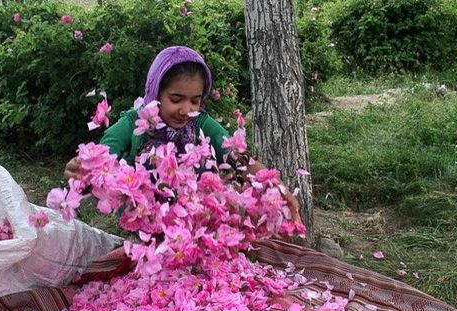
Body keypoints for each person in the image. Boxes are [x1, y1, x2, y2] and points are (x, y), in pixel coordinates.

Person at [64, 45, 302, 226]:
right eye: (176, 99)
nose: (186, 109)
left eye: (195, 100)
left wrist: (279, 188)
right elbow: (102, 161)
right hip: (145, 224)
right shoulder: (131, 124)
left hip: (195, 224)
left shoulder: (200, 123)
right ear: (155, 91)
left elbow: (241, 160)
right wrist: (84, 171)